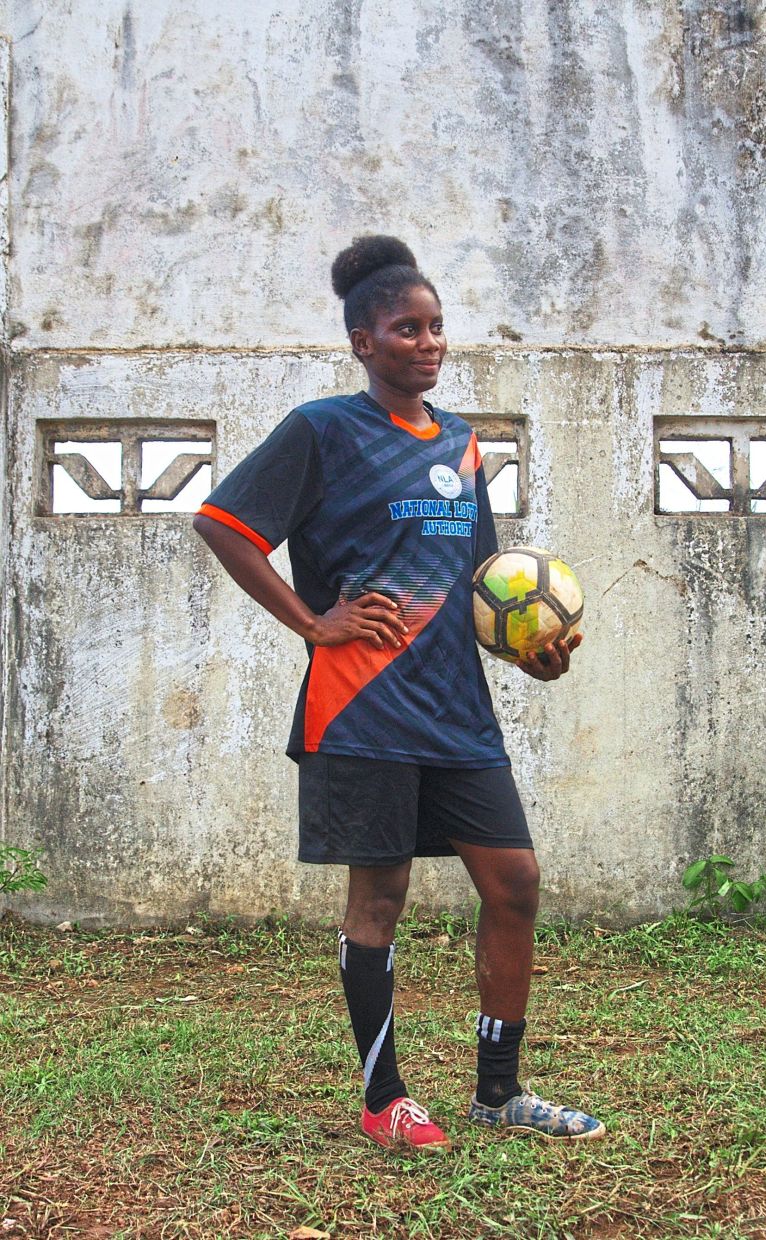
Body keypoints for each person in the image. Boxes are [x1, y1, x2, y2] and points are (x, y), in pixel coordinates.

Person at [193, 235, 605, 1151]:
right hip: (360, 706)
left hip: (457, 709)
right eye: (404, 329)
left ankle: (498, 1093)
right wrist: (312, 622)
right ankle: (386, 1100)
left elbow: (480, 586)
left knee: (515, 883)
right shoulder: (322, 430)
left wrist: (530, 652)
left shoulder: (462, 446)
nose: (428, 343)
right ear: (361, 341)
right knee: (378, 899)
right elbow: (222, 525)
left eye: (436, 327)